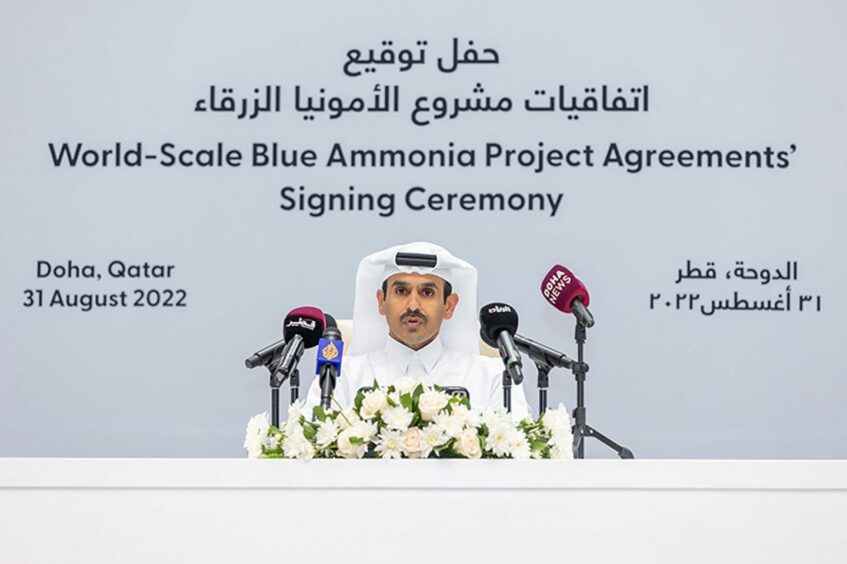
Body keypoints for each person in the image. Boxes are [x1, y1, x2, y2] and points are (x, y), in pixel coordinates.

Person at [304, 241, 530, 419]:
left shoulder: (492, 377)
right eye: (401, 291)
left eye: (427, 293)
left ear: (449, 305)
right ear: (381, 302)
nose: (413, 305)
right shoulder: (340, 377)